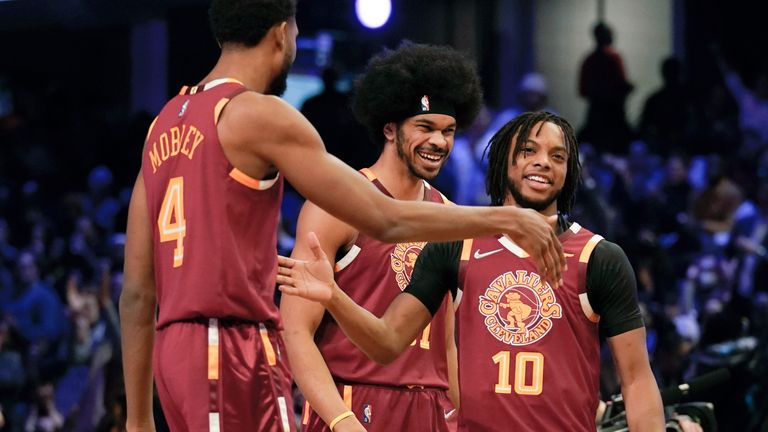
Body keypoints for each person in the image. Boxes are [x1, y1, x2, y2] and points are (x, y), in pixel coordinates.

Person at [119, 1, 566, 431]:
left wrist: (138, 419)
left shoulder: (163, 126)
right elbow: (384, 218)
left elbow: (138, 292)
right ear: (282, 32)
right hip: (234, 343)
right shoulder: (258, 114)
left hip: (176, 349)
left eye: (447, 131)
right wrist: (507, 219)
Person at [277, 111, 666, 431]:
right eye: (528, 150)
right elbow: (386, 342)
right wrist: (334, 296)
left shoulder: (600, 257)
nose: (543, 162)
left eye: (557, 156)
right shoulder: (454, 243)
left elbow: (635, 378)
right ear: (504, 162)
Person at [281, 42, 481, 432]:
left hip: (431, 409)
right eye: (425, 127)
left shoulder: (453, 218)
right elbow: (295, 330)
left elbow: (448, 345)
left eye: (448, 131)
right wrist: (341, 420)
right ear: (390, 128)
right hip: (354, 401)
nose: (439, 142)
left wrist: (465, 417)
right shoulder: (335, 205)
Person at [578, 22, 634, 154]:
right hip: (607, 114)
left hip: (604, 114)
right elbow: (620, 84)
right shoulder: (609, 58)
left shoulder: (591, 59)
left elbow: (583, 90)